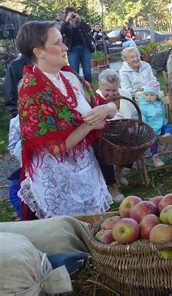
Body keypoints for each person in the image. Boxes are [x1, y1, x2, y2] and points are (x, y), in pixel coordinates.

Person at [16, 21, 117, 220]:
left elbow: (111, 108)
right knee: (70, 238)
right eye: (58, 43)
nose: (65, 48)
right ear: (39, 52)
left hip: (86, 172)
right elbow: (55, 148)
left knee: (96, 233)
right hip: (56, 181)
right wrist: (89, 124)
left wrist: (106, 107)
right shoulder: (32, 91)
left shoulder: (70, 79)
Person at [96, 69, 137, 201]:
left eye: (114, 90)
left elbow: (131, 113)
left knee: (135, 140)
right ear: (100, 86)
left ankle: (118, 172)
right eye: (107, 90)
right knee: (103, 150)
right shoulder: (94, 98)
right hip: (103, 134)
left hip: (123, 129)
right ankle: (112, 186)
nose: (111, 94)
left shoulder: (125, 94)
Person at [60, 7, 94, 82]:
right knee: (75, 72)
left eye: (73, 14)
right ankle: (78, 90)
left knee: (87, 72)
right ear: (66, 15)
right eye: (70, 14)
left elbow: (88, 29)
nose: (72, 16)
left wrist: (80, 20)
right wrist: (67, 21)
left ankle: (90, 90)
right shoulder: (66, 25)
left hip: (85, 48)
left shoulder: (80, 23)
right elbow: (60, 33)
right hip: (72, 50)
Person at [139, 81, 167, 167]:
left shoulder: (159, 103)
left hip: (160, 125)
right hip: (149, 128)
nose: (149, 97)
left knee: (170, 127)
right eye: (146, 95)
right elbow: (142, 119)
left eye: (151, 95)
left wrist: (164, 123)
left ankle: (167, 135)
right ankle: (155, 156)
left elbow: (163, 115)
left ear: (156, 96)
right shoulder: (142, 105)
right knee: (152, 138)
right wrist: (147, 128)